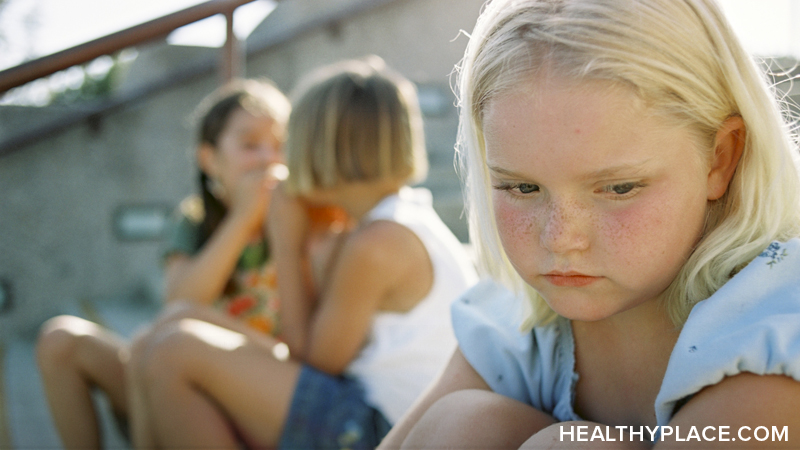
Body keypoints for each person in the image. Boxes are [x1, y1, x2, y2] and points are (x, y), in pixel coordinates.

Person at [379, 0, 800, 449]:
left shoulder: (773, 335)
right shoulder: (519, 328)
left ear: (720, 158)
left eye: (618, 188)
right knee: (461, 426)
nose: (561, 238)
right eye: (522, 189)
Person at [125, 56, 479, 450]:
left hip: (390, 429)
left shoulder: (377, 243)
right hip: (373, 408)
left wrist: (287, 244)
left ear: (324, 151)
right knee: (173, 322)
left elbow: (312, 362)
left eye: (290, 144)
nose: (282, 160)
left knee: (174, 354)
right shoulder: (390, 219)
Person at [35, 78, 297, 450]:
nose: (268, 158)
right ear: (209, 159)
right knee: (60, 339)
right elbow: (181, 301)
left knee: (154, 346)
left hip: (250, 381)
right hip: (180, 367)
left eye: (281, 146)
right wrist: (242, 220)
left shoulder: (299, 218)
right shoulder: (194, 219)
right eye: (250, 145)